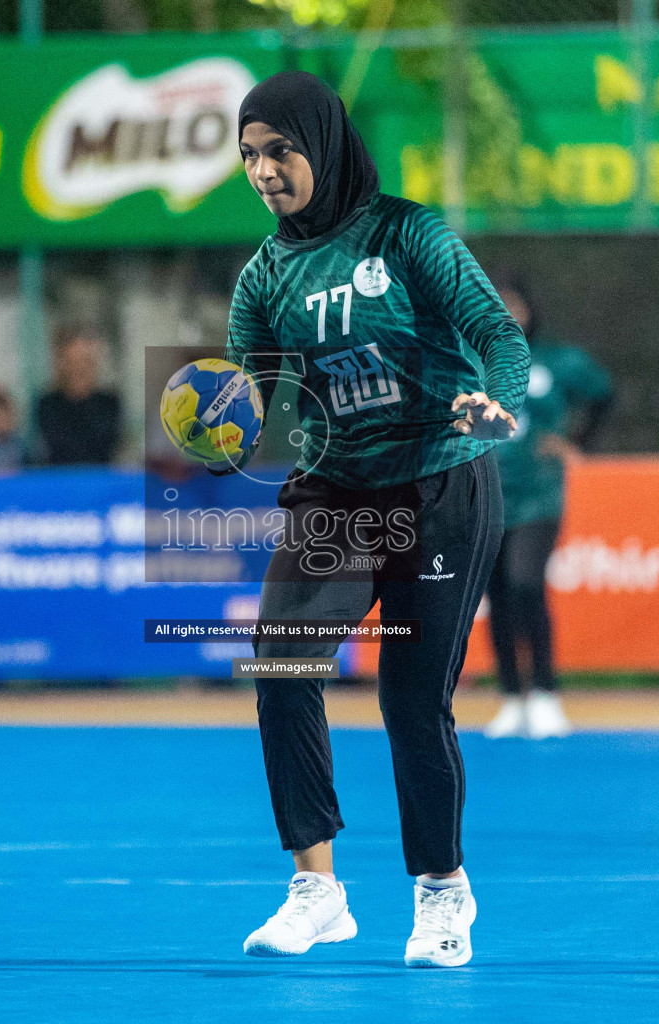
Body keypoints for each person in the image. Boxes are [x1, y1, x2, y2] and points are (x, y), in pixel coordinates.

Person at [219, 71, 528, 967]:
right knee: (282, 657)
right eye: (249, 156)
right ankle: (317, 891)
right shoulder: (264, 276)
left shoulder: (407, 231)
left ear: (325, 144)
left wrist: (498, 403)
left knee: (408, 697)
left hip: (440, 484)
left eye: (281, 151)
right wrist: (224, 416)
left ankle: (443, 895)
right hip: (338, 492)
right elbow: (263, 400)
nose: (265, 171)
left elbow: (496, 335)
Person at [480, 274, 613, 740]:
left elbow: (603, 395)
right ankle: (511, 697)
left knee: (523, 582)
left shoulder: (557, 361)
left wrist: (576, 441)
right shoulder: (470, 362)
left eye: (513, 304)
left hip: (538, 495)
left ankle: (544, 694)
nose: (506, 313)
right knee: (495, 595)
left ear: (529, 309)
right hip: (487, 497)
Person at [34, 326, 122, 466]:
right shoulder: (47, 404)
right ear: (61, 362)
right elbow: (60, 446)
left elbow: (104, 445)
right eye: (72, 360)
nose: (78, 368)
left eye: (84, 360)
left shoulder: (110, 403)